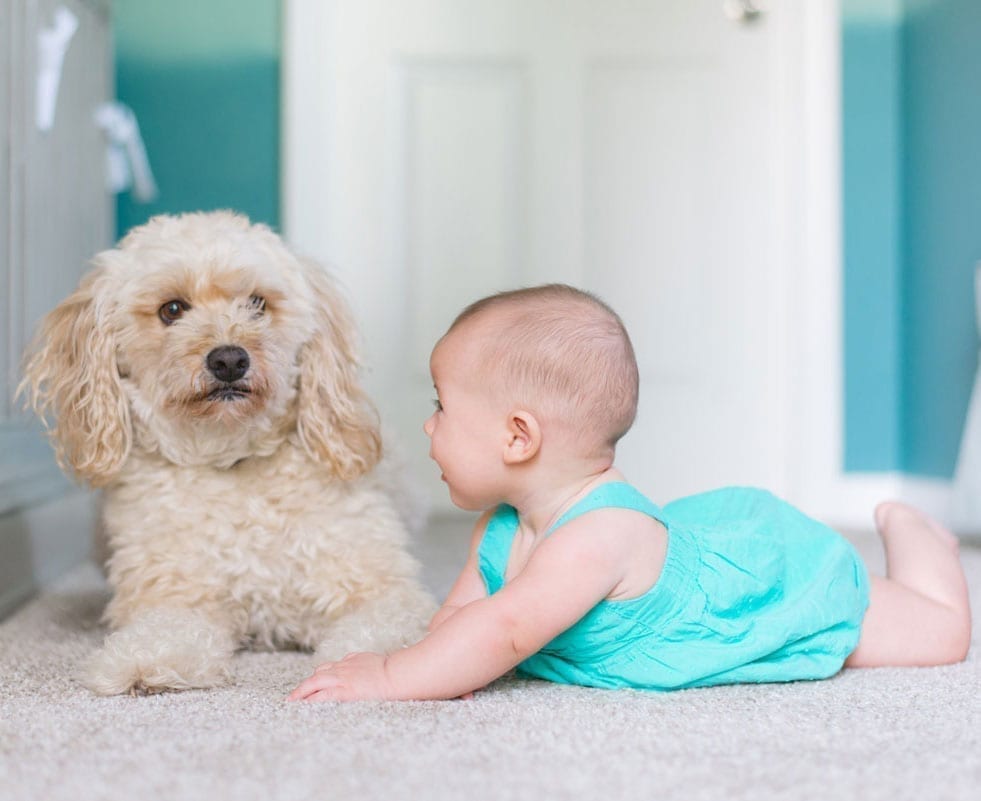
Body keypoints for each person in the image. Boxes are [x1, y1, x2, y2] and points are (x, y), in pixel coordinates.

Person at [289, 284, 972, 701]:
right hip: (685, 545)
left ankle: (912, 530)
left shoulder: (596, 536)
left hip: (761, 582)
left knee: (939, 634)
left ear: (517, 437)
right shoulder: (499, 527)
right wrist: (434, 665)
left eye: (442, 408)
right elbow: (462, 623)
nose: (428, 425)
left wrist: (389, 677)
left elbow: (503, 629)